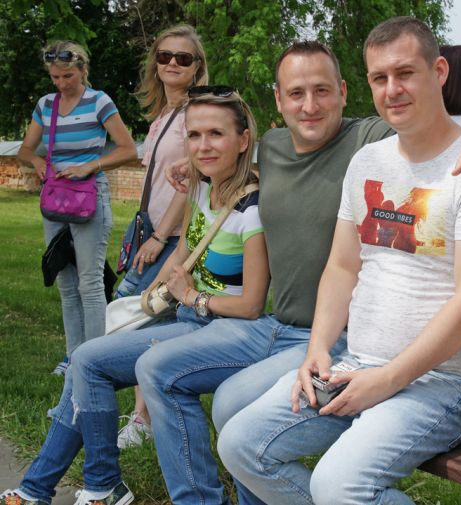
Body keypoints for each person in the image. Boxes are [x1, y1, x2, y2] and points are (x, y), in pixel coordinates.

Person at [146, 38, 461, 504]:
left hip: (440, 379)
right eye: (380, 78)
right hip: (352, 360)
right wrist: (318, 350)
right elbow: (341, 266)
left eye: (405, 73)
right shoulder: (364, 161)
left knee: (336, 486)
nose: (392, 89)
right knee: (240, 446)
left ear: (439, 72)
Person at [1, 88, 267, 505]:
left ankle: (94, 485)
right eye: (194, 135)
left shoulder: (251, 209)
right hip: (186, 318)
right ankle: (59, 487)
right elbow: (183, 252)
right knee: (86, 360)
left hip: (225, 329)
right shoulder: (200, 189)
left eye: (216, 134)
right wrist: (151, 297)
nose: (203, 145)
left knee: (90, 362)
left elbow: (251, 305)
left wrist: (191, 297)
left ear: (243, 139)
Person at [115, 23, 209, 450]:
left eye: (183, 58)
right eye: (165, 56)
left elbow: (189, 187)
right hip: (150, 231)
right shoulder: (161, 117)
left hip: (171, 238)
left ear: (197, 67)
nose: (172, 63)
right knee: (148, 322)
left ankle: (141, 416)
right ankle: (144, 415)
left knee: (136, 318)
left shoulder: (195, 115)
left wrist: (161, 236)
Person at [17, 40, 137, 375]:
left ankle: (94, 361)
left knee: (90, 282)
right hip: (55, 200)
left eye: (67, 76)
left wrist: (90, 166)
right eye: (55, 77)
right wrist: (37, 161)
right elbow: (25, 150)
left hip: (89, 198)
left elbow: (128, 150)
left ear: (82, 70)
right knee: (66, 283)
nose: (61, 83)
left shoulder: (99, 102)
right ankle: (73, 356)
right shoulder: (46, 105)